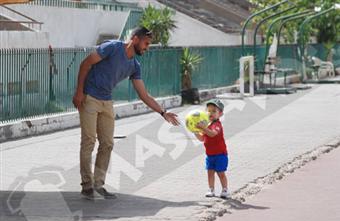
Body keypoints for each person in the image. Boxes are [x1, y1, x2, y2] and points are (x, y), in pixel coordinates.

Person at [72, 26, 180, 200]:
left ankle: (99, 185)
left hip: (106, 101)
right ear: (135, 39)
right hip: (89, 96)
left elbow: (143, 94)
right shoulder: (112, 47)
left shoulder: (134, 65)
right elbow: (86, 64)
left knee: (107, 143)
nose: (147, 48)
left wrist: (163, 112)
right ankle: (87, 185)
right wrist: (79, 92)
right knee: (89, 141)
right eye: (146, 43)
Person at [194, 99, 229, 198]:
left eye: (214, 111)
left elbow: (213, 134)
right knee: (210, 173)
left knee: (221, 173)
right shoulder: (207, 125)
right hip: (210, 155)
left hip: (220, 154)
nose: (211, 113)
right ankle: (211, 189)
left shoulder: (217, 125)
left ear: (220, 114)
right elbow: (201, 138)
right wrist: (195, 130)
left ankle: (225, 189)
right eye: (208, 110)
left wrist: (203, 128)